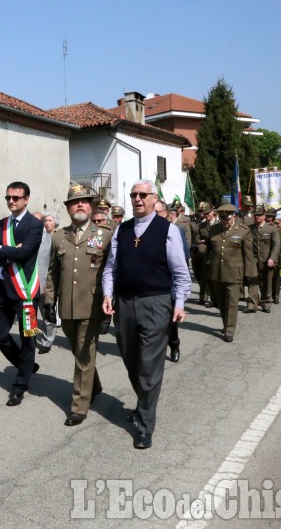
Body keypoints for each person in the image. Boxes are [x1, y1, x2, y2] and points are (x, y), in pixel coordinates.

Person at [102, 180, 191, 449]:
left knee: (150, 366)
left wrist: (179, 303)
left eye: (143, 195)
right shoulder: (122, 230)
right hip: (125, 304)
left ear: (154, 199)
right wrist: (108, 293)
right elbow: (110, 268)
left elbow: (180, 273)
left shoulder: (168, 231)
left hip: (156, 303)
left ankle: (144, 425)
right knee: (131, 360)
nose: (137, 199)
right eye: (133, 195)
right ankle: (144, 405)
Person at [45, 185, 112, 426]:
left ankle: (78, 406)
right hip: (67, 306)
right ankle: (94, 384)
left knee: (83, 355)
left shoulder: (104, 235)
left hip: (92, 305)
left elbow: (109, 272)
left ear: (91, 206)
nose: (80, 205)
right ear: (68, 208)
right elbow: (53, 273)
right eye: (75, 202)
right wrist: (49, 300)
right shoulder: (59, 237)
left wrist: (109, 303)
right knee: (79, 351)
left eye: (84, 201)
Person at [0, 181, 43, 406]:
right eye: (8, 197)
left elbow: (25, 253)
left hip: (25, 292)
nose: (11, 201)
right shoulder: (2, 224)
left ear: (26, 199)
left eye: (16, 198)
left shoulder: (34, 224)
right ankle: (26, 364)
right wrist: (7, 250)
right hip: (2, 289)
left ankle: (20, 386)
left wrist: (4, 251)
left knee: (28, 339)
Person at [206, 200, 255, 342]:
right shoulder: (214, 230)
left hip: (234, 274)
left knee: (232, 303)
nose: (224, 222)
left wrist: (248, 275)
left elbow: (248, 256)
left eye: (226, 219)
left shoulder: (243, 230)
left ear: (233, 216)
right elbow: (210, 251)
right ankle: (225, 324)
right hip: (217, 273)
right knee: (221, 303)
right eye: (221, 219)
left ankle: (229, 330)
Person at [157, 200, 186, 362]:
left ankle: (174, 344)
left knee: (169, 323)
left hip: (170, 285)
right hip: (150, 287)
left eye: (158, 213)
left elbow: (184, 256)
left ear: (166, 213)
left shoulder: (174, 230)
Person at [246, 205, 281, 314]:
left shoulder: (272, 229)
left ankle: (266, 303)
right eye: (255, 215)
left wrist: (272, 258)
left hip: (267, 260)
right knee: (252, 282)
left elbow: (276, 245)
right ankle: (252, 305)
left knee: (267, 282)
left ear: (264, 216)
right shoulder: (249, 228)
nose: (257, 217)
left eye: (259, 215)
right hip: (253, 259)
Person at [36, 211, 59, 354]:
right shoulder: (41, 237)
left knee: (48, 314)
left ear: (56, 222)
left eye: (50, 220)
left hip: (48, 283)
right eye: (46, 220)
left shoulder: (59, 237)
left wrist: (50, 284)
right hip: (35, 281)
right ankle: (31, 338)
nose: (47, 222)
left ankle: (47, 341)